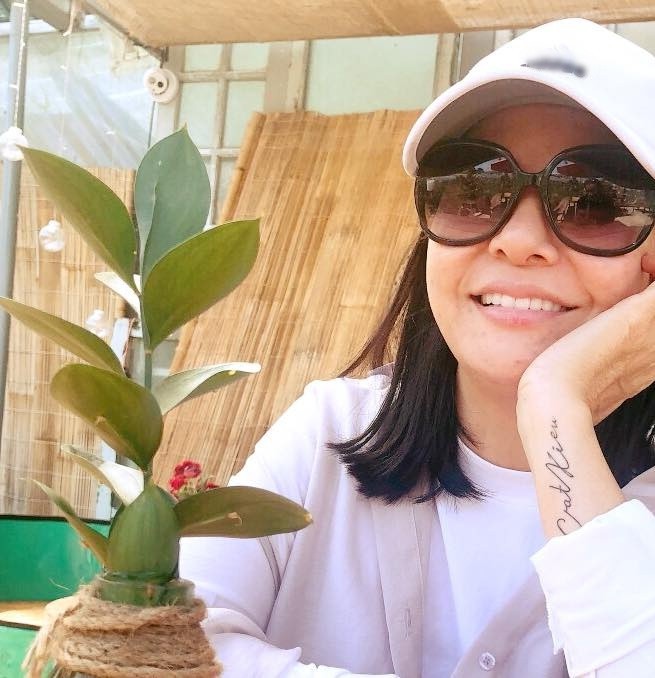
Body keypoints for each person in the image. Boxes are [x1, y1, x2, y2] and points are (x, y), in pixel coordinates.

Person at [180, 18, 655, 677]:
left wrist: (555, 409)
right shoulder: (330, 433)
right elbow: (177, 647)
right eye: (472, 188)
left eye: (594, 202)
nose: (518, 241)